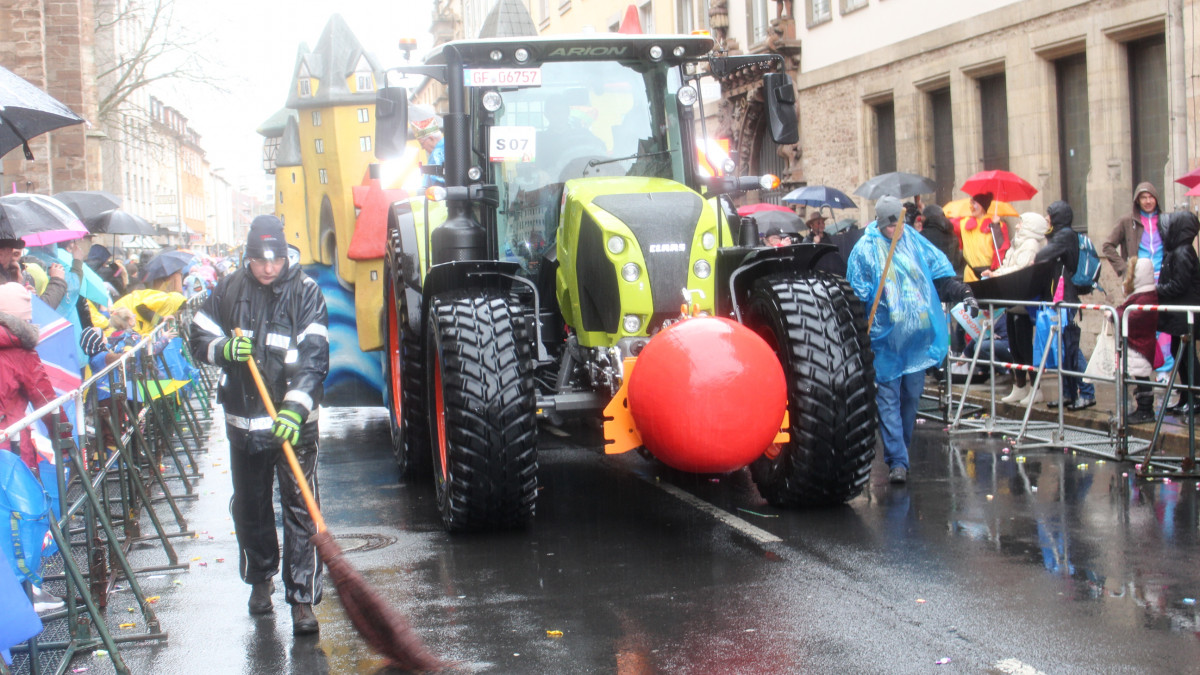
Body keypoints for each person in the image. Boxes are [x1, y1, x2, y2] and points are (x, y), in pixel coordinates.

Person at [188, 215, 329, 636]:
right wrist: (223, 349)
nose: (268, 268)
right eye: (259, 260)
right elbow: (198, 336)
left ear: (286, 254)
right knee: (251, 508)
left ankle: (302, 599)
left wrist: (294, 409)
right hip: (245, 425)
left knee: (300, 510)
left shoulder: (306, 293)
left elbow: (314, 358)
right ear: (248, 257)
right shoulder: (229, 289)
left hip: (293, 427)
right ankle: (260, 580)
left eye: (276, 259)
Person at [847, 196, 978, 484]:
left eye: (900, 223)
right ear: (881, 223)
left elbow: (940, 278)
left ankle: (900, 450)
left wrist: (964, 293)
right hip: (885, 342)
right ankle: (897, 462)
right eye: (891, 224)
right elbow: (856, 295)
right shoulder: (865, 251)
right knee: (888, 400)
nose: (897, 229)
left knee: (910, 398)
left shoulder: (914, 242)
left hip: (916, 340)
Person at [0, 283, 70, 477]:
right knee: (23, 502)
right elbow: (45, 400)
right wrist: (63, 440)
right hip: (11, 447)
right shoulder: (20, 350)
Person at [1033, 201, 1096, 410]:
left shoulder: (1065, 235)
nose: (1046, 218)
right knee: (1062, 349)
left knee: (1071, 347)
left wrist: (1047, 236)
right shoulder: (1059, 235)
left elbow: (1041, 256)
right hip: (1058, 296)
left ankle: (1087, 392)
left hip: (1065, 298)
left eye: (1049, 215)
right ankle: (1068, 393)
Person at [986, 212, 1050, 404]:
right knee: (1014, 346)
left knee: (1024, 346)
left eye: (1022, 222)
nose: (1018, 225)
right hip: (1012, 300)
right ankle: (1019, 386)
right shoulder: (1017, 243)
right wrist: (996, 273)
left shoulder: (1030, 244)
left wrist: (998, 275)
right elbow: (1008, 264)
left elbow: (1020, 269)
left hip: (1022, 300)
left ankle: (1034, 388)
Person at [1155, 210, 1200, 414]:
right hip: (1178, 314)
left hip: (1185, 313)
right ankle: (1185, 396)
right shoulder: (1177, 251)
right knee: (1178, 353)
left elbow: (1179, 284)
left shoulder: (1183, 252)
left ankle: (1195, 396)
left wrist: (1156, 290)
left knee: (1187, 356)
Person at [1119, 258, 1159, 424]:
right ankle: (1142, 408)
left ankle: (1145, 410)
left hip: (1140, 344)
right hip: (1138, 343)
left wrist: (1116, 316)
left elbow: (1132, 315)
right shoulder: (1143, 295)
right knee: (1139, 375)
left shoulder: (1145, 297)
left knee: (1142, 376)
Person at [1102, 182, 1164, 278]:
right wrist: (1124, 268)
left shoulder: (1165, 220)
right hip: (1137, 279)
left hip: (1162, 278)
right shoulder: (1127, 221)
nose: (1148, 201)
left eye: (1151, 197)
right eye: (1143, 198)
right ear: (1137, 201)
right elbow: (1107, 246)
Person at [958, 192, 1011, 283]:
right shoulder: (963, 223)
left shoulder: (997, 224)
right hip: (970, 274)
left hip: (990, 273)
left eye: (974, 203)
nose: (971, 206)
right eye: (971, 203)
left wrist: (996, 226)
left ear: (982, 206)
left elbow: (1002, 247)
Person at [918, 204, 964, 276]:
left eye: (922, 218)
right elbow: (956, 262)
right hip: (950, 278)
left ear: (926, 218)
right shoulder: (952, 235)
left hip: (932, 279)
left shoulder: (922, 236)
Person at [411, 117, 444, 187]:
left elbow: (436, 185)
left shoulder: (437, 154)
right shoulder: (449, 145)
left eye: (422, 144)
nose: (422, 148)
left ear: (431, 139)